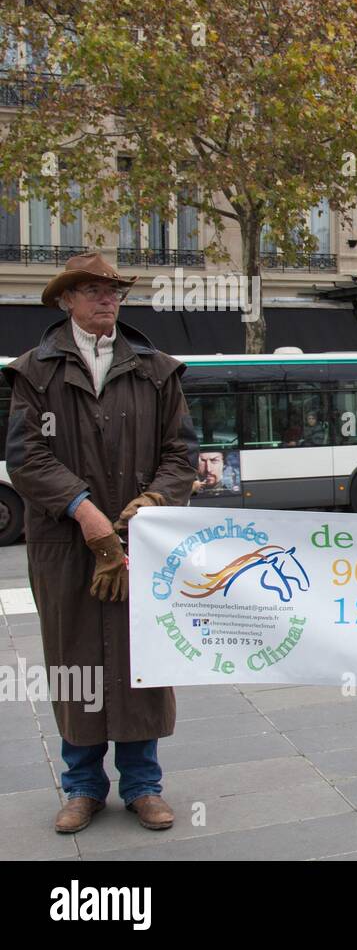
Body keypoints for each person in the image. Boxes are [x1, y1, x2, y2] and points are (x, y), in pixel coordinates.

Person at [2, 252, 198, 834]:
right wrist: (85, 512)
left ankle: (143, 786)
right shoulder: (33, 372)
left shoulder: (158, 370)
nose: (105, 299)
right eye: (91, 291)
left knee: (141, 660)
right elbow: (26, 458)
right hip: (64, 545)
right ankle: (83, 786)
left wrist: (154, 502)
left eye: (112, 291)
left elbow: (180, 455)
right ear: (66, 300)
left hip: (144, 541)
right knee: (75, 659)